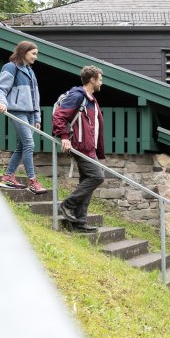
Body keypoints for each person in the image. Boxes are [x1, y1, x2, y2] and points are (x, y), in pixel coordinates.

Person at [52, 66, 105, 232]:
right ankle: (67, 205)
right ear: (92, 80)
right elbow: (59, 116)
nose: (102, 82)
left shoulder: (91, 100)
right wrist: (65, 138)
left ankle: (79, 222)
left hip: (90, 148)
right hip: (80, 147)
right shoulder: (77, 96)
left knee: (86, 181)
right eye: (100, 79)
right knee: (97, 177)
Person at [0, 41, 47, 194]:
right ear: (24, 52)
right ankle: (32, 181)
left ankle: (7, 177)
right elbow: (0, 88)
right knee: (29, 144)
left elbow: (36, 97)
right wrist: (2, 102)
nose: (36, 57)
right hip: (17, 112)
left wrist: (37, 118)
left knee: (21, 146)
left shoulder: (30, 72)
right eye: (33, 54)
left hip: (30, 114)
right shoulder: (10, 67)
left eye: (36, 54)